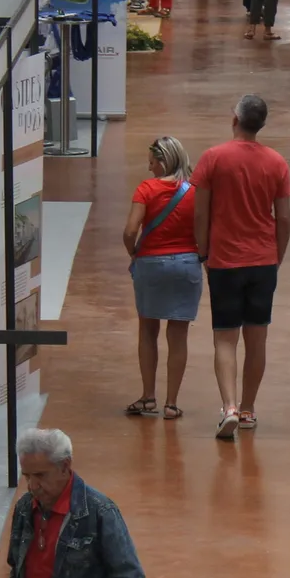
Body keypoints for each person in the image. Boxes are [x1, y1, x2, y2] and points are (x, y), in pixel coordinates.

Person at [192, 95, 290, 439]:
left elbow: (200, 211)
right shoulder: (276, 162)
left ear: (234, 118)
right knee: (257, 337)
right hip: (263, 260)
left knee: (224, 338)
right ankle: (248, 409)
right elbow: (285, 217)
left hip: (224, 260)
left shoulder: (213, 158)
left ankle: (229, 407)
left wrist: (203, 250)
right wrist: (276, 256)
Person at [6, 429, 145, 578]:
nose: (32, 486)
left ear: (65, 466)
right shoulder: (24, 508)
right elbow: (16, 574)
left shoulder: (100, 511)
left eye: (40, 475)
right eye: (27, 476)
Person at [123, 136, 200, 420]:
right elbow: (204, 229)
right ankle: (171, 403)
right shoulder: (194, 190)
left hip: (151, 264)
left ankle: (148, 396)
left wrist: (134, 253)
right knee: (178, 335)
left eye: (152, 161)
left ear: (162, 161)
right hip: (186, 264)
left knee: (147, 330)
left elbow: (130, 230)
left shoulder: (146, 189)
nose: (149, 166)